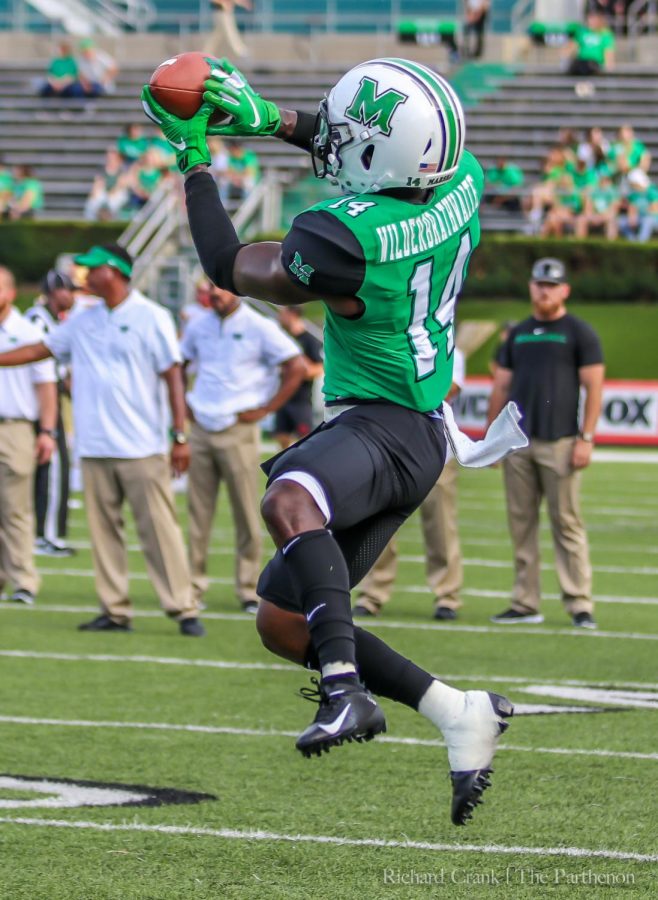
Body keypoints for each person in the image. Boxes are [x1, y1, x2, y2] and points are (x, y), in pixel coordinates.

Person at [141, 56, 519, 826]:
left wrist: (195, 158)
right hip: (414, 428)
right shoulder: (461, 176)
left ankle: (345, 688)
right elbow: (368, 151)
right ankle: (457, 712)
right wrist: (272, 119)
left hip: (385, 423)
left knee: (290, 495)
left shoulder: (345, 241)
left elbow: (226, 265)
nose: (334, 143)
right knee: (283, 623)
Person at [0, 244, 204, 637]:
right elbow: (39, 349)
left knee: (159, 530)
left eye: (91, 270)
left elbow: (173, 376)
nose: (84, 277)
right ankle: (114, 609)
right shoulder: (82, 319)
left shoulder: (152, 316)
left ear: (113, 271)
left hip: (141, 447)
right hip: (94, 447)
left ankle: (182, 607)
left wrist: (179, 435)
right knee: (103, 534)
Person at [487, 258, 604, 629]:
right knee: (521, 524)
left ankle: (579, 603)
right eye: (539, 284)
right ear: (531, 288)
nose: (545, 290)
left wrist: (586, 437)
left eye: (552, 285)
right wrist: (492, 440)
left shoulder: (579, 332)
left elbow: (594, 387)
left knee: (566, 523)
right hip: (519, 442)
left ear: (565, 290)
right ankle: (525, 602)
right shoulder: (518, 333)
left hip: (561, 442)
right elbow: (501, 386)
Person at [180, 285, 305, 613]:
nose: (214, 295)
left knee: (247, 511)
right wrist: (183, 406)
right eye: (209, 289)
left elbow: (297, 366)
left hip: (239, 426)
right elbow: (179, 364)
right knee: (197, 512)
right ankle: (192, 586)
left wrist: (266, 409)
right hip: (202, 426)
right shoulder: (198, 324)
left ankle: (248, 588)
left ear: (236, 290)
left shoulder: (259, 326)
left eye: (219, 289)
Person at [353, 348, 466, 620]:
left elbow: (446, 390)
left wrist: (398, 383)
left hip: (434, 448)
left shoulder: (448, 347)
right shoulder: (385, 343)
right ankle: (372, 594)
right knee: (377, 524)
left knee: (440, 524)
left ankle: (447, 595)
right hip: (386, 445)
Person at [0, 266, 57, 606]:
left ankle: (23, 580)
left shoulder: (27, 331)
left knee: (15, 508)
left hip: (15, 427)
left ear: (8, 292)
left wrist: (46, 432)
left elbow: (46, 388)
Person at [25, 270, 77, 557]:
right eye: (66, 290)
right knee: (54, 466)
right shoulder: (37, 319)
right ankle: (47, 535)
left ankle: (44, 533)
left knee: (52, 467)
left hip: (50, 396)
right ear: (53, 291)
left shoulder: (54, 319)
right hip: (41, 400)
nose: (70, 295)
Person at [274, 306, 323, 449]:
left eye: (282, 313)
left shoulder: (309, 340)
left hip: (301, 402)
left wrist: (299, 369)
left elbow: (318, 369)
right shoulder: (283, 338)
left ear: (292, 314)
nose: (279, 317)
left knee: (305, 443)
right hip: (282, 398)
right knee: (281, 439)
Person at [83, 147, 131, 221]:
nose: (110, 160)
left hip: (117, 193)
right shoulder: (102, 169)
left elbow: (121, 184)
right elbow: (97, 184)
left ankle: (109, 218)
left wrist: (111, 193)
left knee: (113, 201)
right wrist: (93, 194)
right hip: (105, 192)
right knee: (92, 202)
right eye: (109, 157)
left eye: (112, 158)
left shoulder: (122, 169)